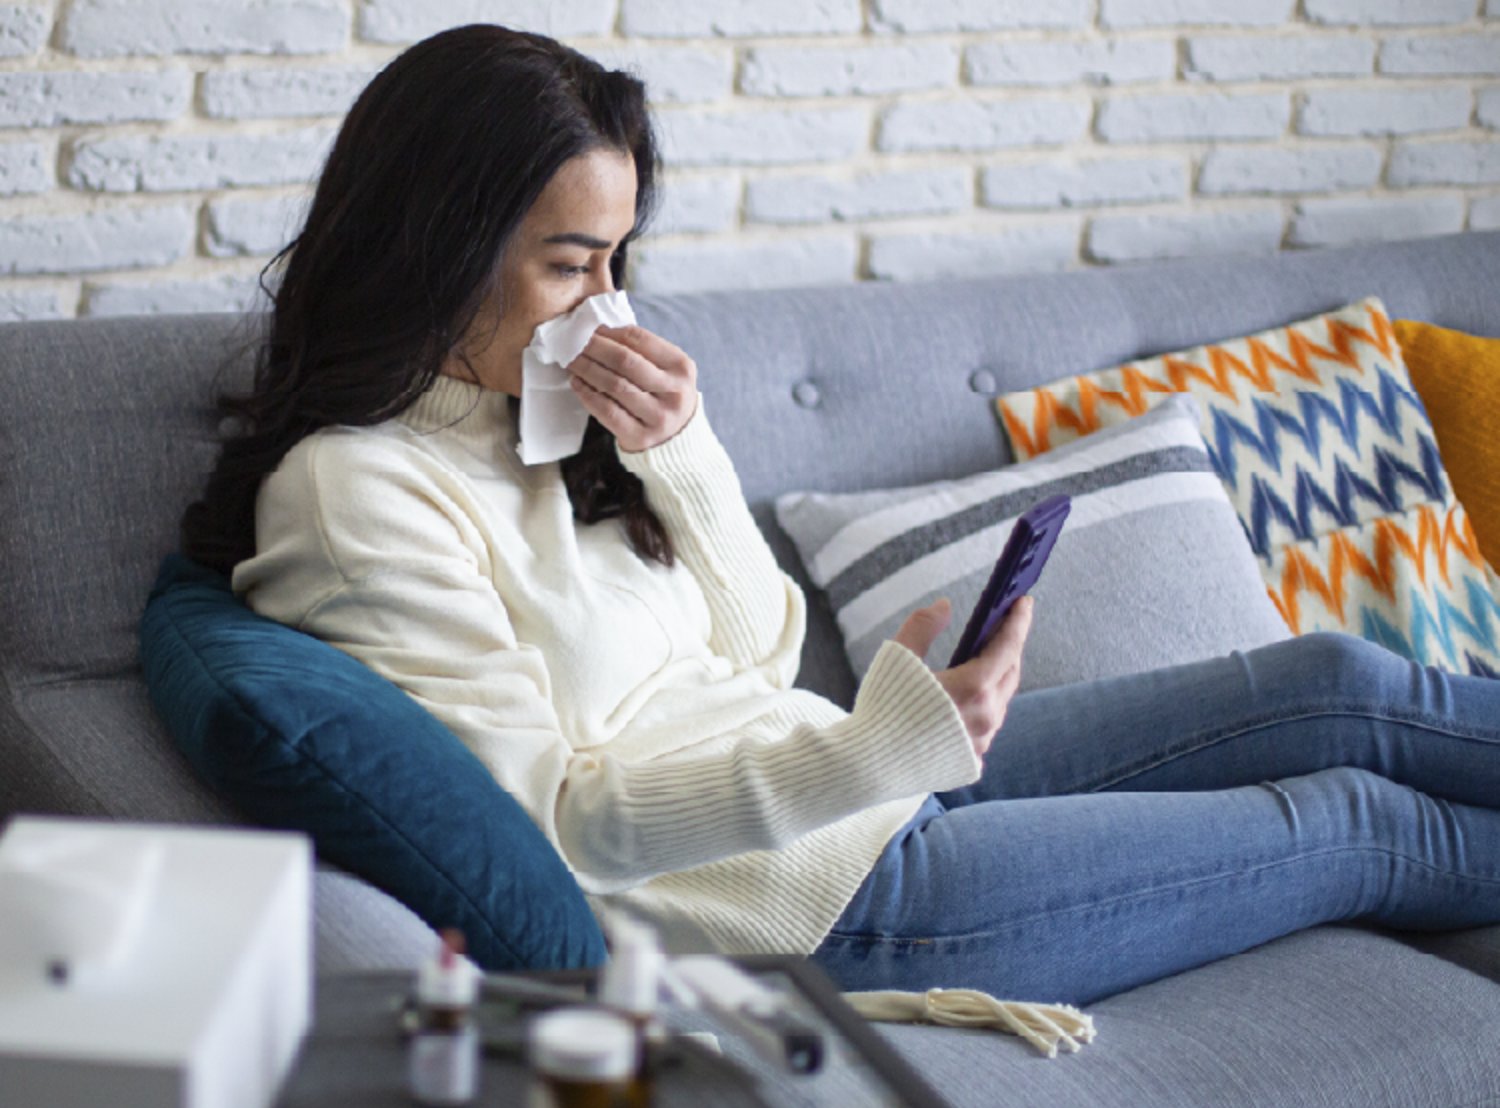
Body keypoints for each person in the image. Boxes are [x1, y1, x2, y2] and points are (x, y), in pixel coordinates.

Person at [182, 24, 1500, 1009]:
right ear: (436, 245)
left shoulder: (554, 421)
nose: (609, 307)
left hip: (847, 776)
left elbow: (758, 654)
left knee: (1337, 682)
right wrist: (880, 755)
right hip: (815, 903)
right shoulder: (356, 497)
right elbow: (563, 827)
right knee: (1350, 825)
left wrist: (680, 453)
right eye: (571, 263)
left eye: (620, 260)